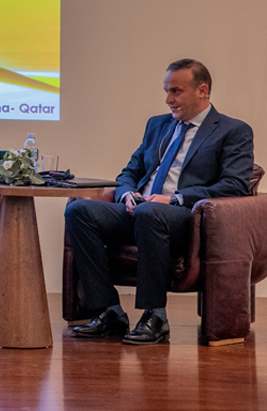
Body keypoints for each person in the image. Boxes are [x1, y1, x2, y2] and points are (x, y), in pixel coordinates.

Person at [66, 59, 254, 345]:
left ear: (202, 90)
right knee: (79, 210)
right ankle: (109, 310)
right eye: (167, 91)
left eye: (176, 91)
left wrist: (174, 198)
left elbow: (235, 185)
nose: (168, 99)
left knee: (151, 212)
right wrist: (128, 194)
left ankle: (156, 316)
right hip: (141, 210)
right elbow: (129, 172)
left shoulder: (232, 130)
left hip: (186, 218)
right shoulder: (157, 125)